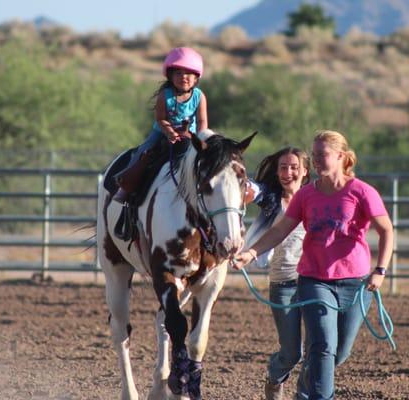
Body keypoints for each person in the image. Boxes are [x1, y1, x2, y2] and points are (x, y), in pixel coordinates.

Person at [234, 130, 393, 400]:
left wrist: (380, 270)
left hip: (355, 283)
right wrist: (251, 252)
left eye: (323, 154)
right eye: (315, 154)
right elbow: (280, 230)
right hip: (314, 280)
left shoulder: (361, 191)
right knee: (321, 347)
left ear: (341, 157)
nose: (317, 159)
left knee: (339, 353)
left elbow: (386, 230)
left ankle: (306, 392)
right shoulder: (306, 195)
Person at [244, 147, 311, 400]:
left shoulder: (316, 197)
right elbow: (253, 190)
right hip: (283, 282)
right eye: (283, 167)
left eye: (294, 167)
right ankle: (275, 377)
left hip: (314, 281)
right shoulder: (271, 197)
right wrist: (242, 188)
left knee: (316, 349)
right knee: (291, 352)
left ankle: (303, 395)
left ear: (305, 172)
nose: (288, 173)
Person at [113, 46, 208, 203]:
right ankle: (125, 187)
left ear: (196, 78)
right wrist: (170, 132)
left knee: (207, 158)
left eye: (189, 73)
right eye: (178, 73)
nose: (183, 77)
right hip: (162, 132)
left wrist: (201, 136)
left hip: (190, 135)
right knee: (144, 151)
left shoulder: (199, 96)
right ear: (170, 76)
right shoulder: (165, 95)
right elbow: (161, 118)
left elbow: (202, 120)